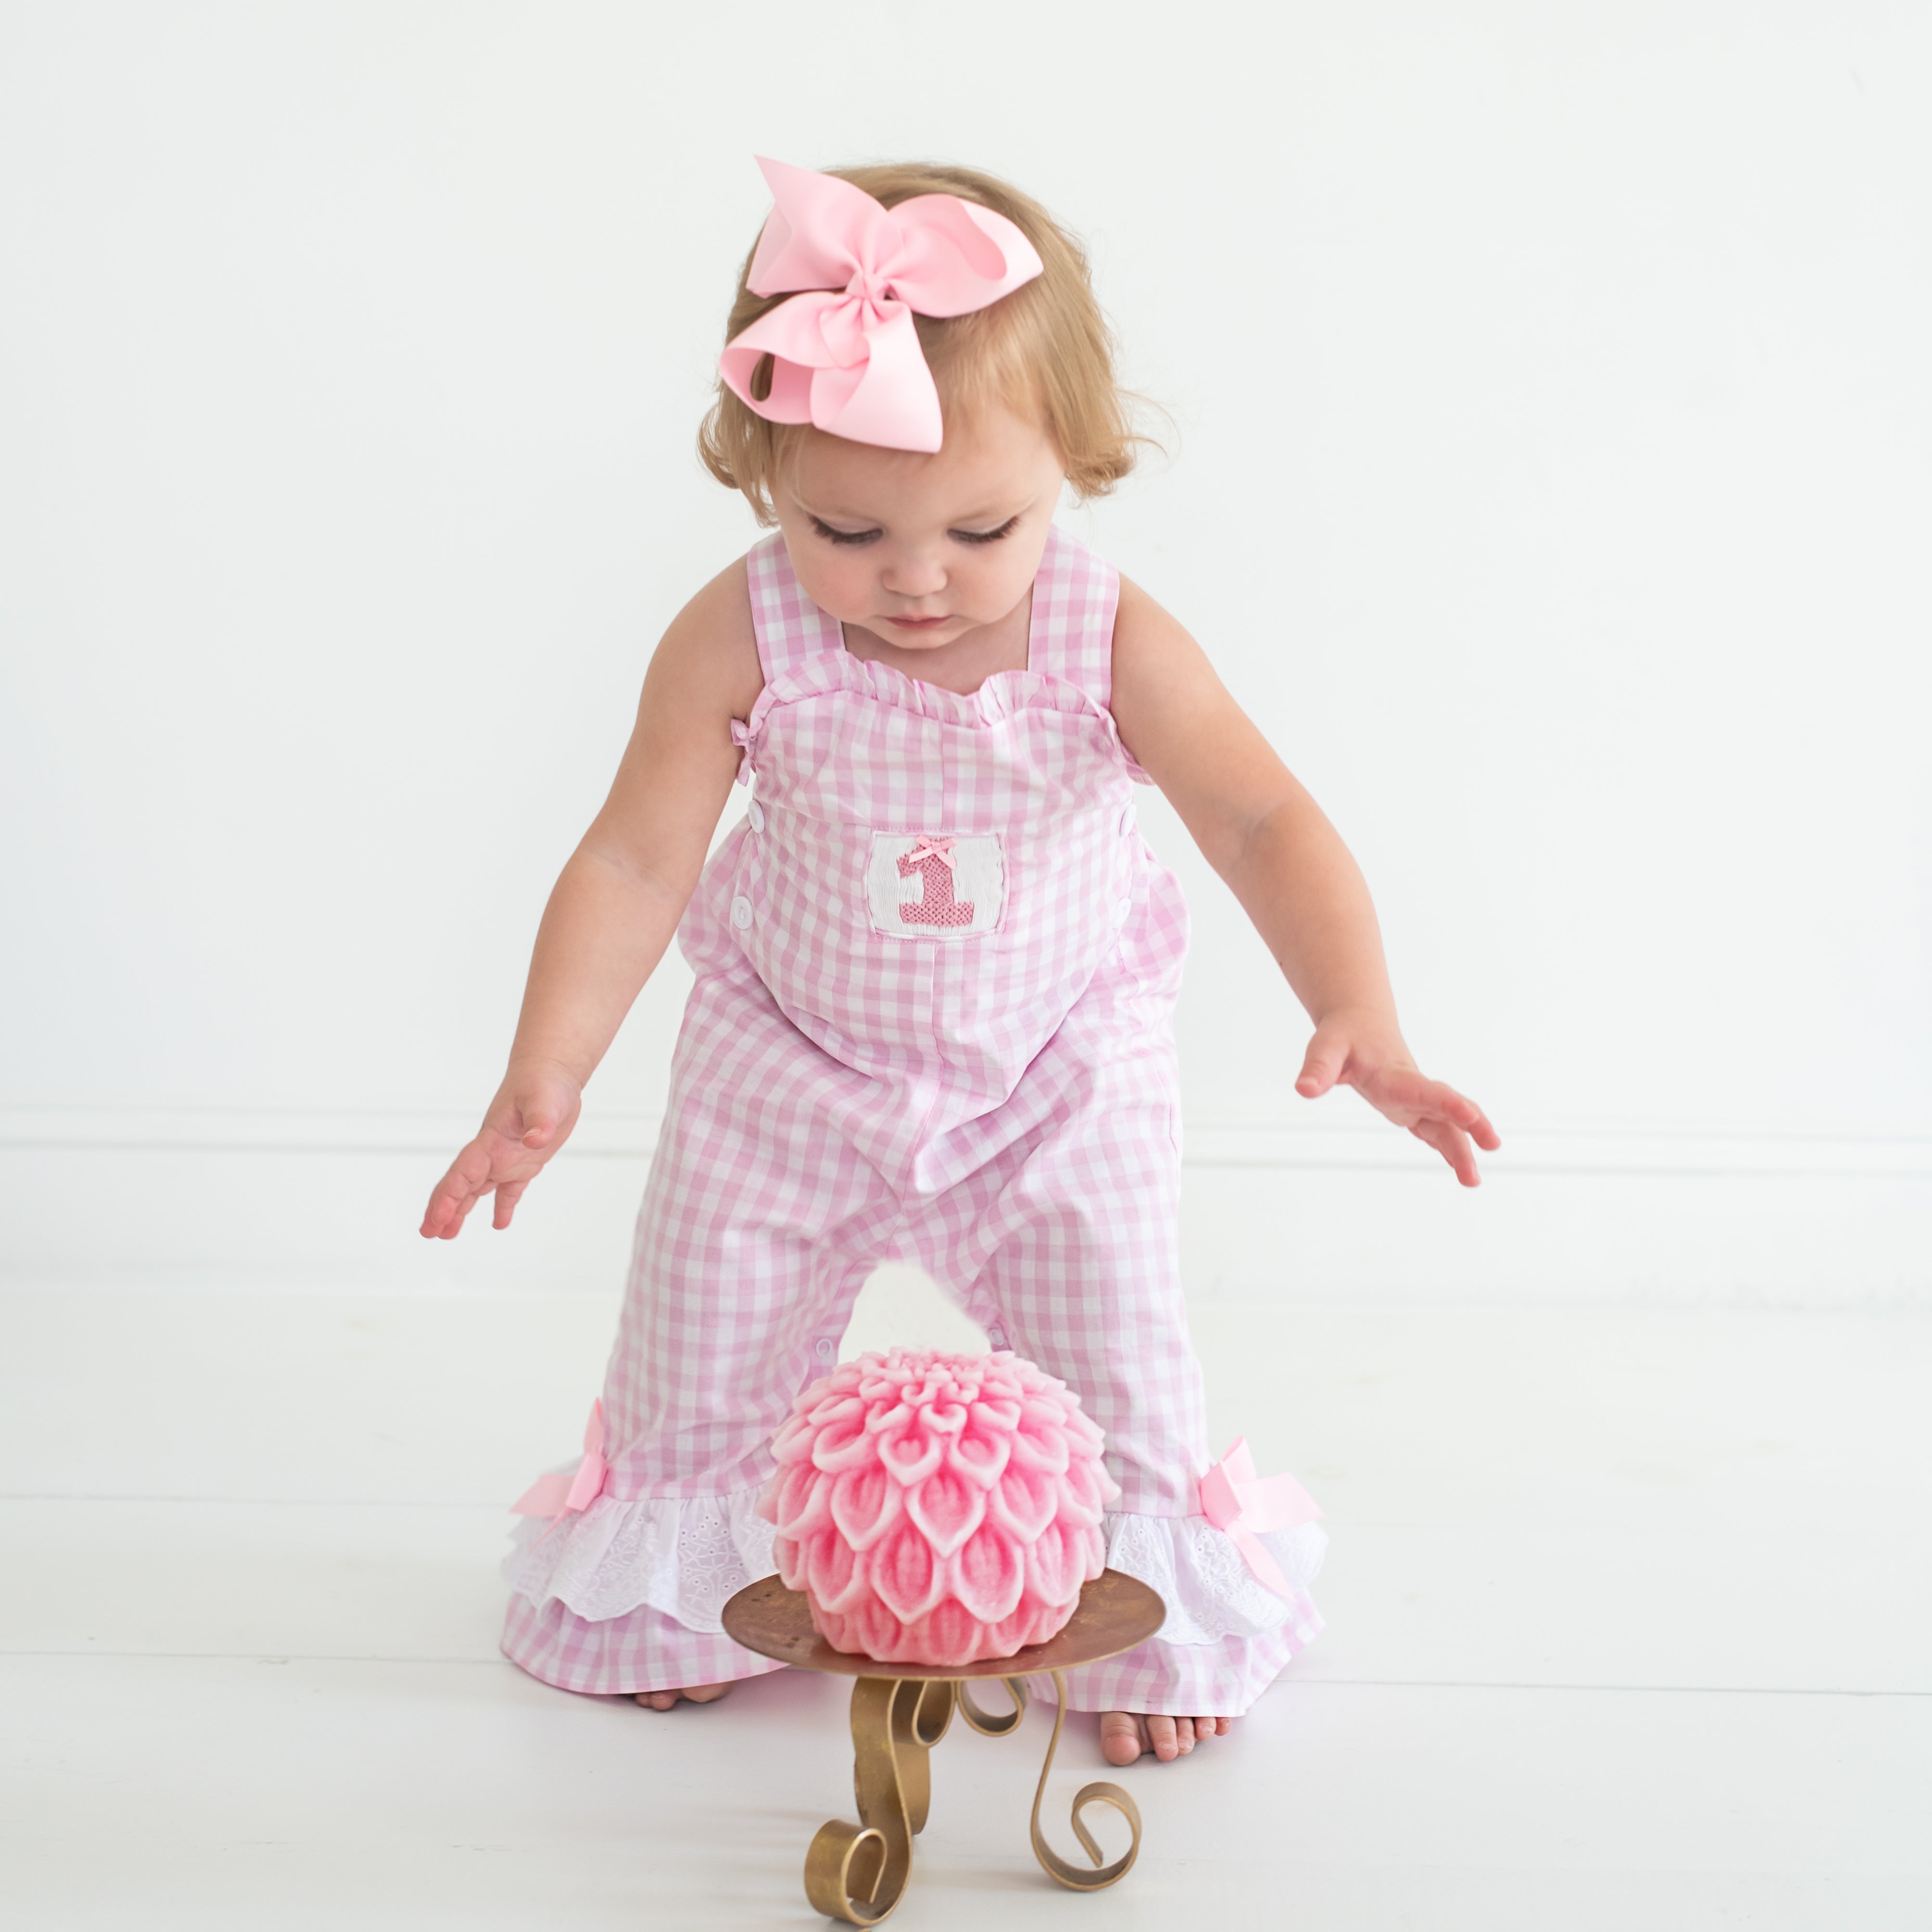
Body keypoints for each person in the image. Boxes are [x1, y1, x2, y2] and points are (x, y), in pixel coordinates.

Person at [421, 158, 1499, 1767]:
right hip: (787, 1067)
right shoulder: (743, 631)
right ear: (765, 471)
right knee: (699, 1348)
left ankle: (1141, 1617)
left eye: (983, 528)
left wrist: (1361, 1010)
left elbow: (1262, 815)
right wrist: (549, 1069)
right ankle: (684, 1589)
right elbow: (638, 857)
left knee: (1121, 1356)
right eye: (846, 529)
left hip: (1056, 1070)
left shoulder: (1107, 635)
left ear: (1074, 466)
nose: (916, 577)